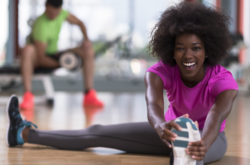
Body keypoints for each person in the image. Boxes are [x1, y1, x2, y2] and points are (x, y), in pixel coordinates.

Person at [7, 2, 238, 165]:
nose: (188, 56)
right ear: (172, 51)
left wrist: (203, 144)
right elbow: (153, 107)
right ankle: (23, 133)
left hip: (211, 139)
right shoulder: (159, 72)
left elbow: (216, 115)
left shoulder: (222, 79)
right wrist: (160, 128)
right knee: (97, 132)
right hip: (169, 132)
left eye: (196, 48)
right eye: (180, 48)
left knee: (188, 156)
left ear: (208, 50)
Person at [20, 0, 103, 110]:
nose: (54, 15)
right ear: (46, 7)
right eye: (51, 13)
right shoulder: (40, 25)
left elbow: (80, 23)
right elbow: (41, 58)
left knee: (88, 51)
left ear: (60, 9)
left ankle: (89, 95)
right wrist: (62, 63)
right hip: (40, 58)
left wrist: (86, 40)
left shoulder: (62, 14)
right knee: (28, 49)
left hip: (55, 53)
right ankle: (28, 96)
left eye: (56, 13)